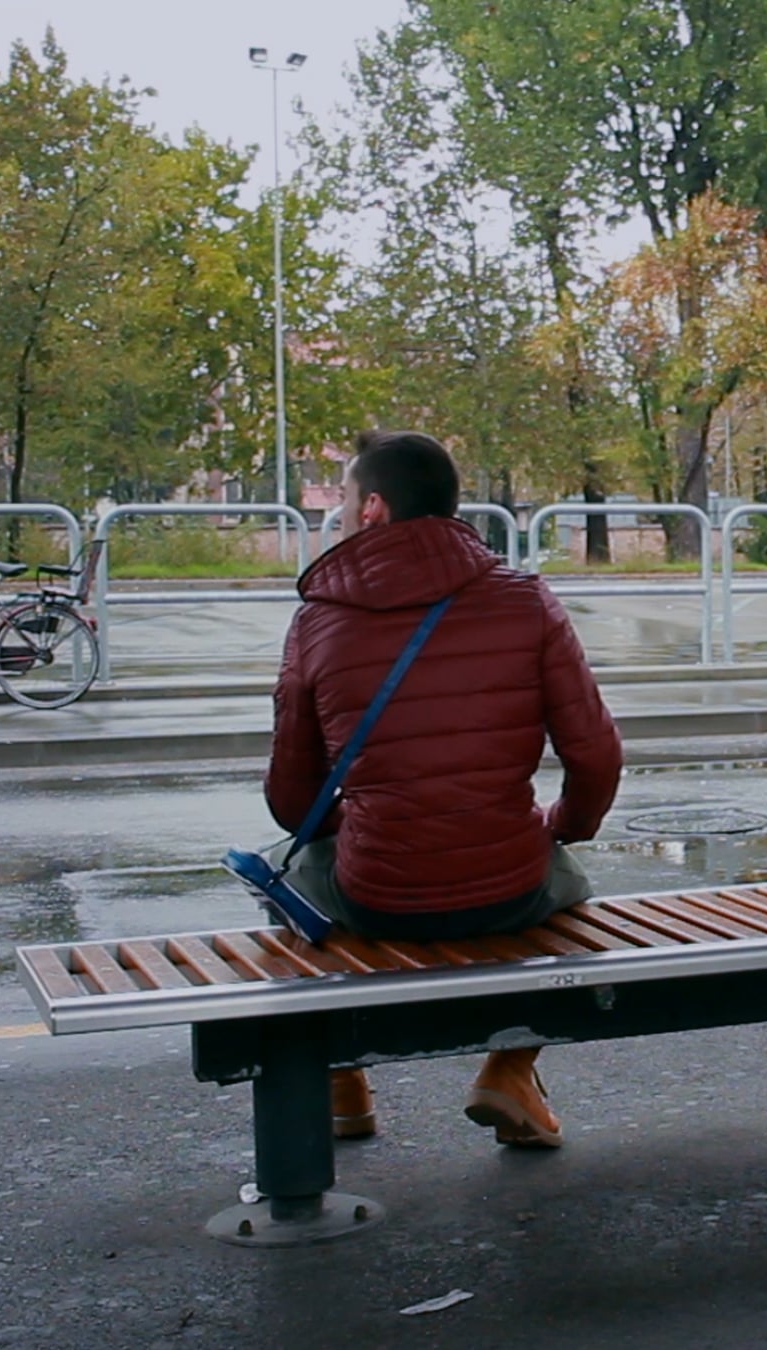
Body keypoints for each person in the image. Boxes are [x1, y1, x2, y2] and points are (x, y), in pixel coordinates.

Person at [263, 429, 623, 1147]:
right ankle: (510, 1071)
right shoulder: (526, 599)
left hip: (377, 895)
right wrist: (565, 826)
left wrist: (359, 828)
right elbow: (596, 756)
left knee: (286, 878)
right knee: (573, 886)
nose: (341, 517)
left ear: (373, 509)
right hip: (511, 886)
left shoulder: (318, 620)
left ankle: (341, 1079)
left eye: (344, 502)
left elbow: (292, 802)